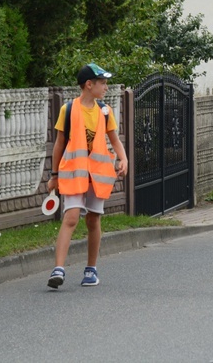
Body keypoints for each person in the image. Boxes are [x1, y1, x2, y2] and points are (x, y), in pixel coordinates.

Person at [46, 63, 128, 288]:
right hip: (74, 174)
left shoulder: (105, 111)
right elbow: (59, 144)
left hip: (98, 175)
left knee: (93, 219)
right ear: (89, 85)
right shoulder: (69, 110)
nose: (106, 87)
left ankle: (91, 269)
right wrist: (54, 175)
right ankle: (58, 269)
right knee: (71, 217)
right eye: (103, 83)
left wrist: (124, 158)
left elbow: (114, 138)